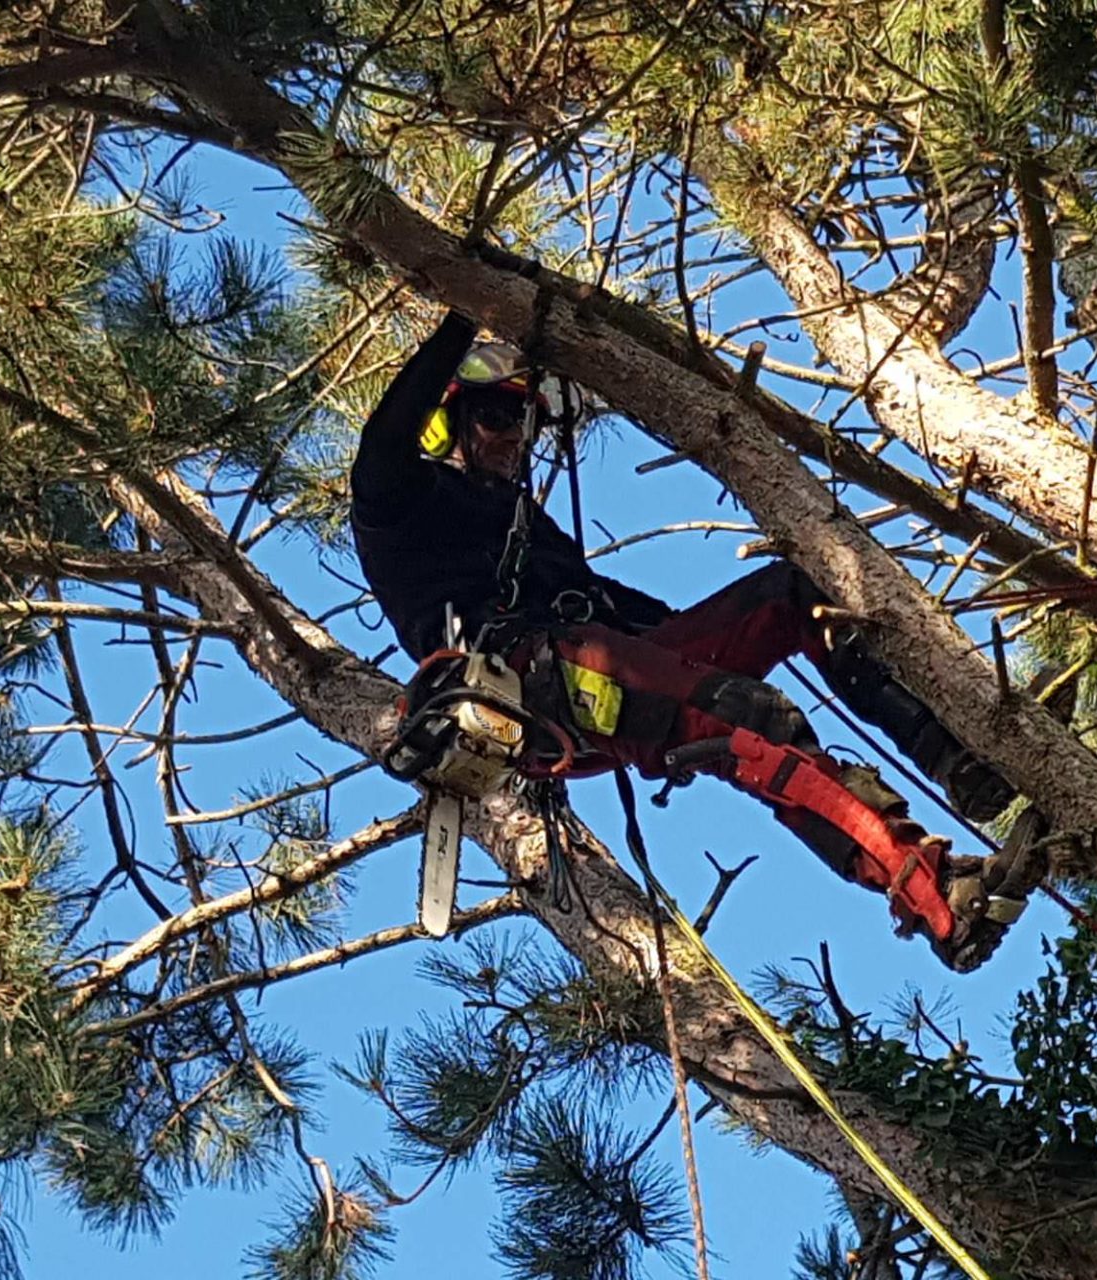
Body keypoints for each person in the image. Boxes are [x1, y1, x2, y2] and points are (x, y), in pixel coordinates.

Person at [351, 312, 1043, 971]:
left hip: (601, 660)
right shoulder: (404, 502)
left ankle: (955, 757)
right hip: (540, 685)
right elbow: (382, 444)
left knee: (789, 594)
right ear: (455, 421)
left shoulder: (524, 526)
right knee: (750, 718)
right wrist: (460, 319)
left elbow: (630, 616)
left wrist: (711, 646)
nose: (514, 438)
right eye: (499, 416)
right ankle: (934, 896)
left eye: (526, 420)